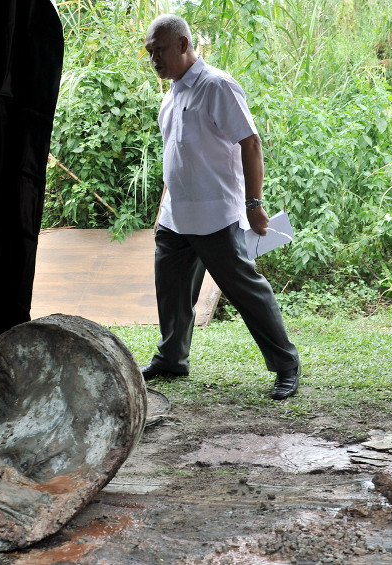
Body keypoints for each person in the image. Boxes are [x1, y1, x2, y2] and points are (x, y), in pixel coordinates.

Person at [140, 14, 301, 400]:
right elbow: (177, 155)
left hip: (215, 216)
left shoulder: (217, 86)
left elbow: (251, 143)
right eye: (149, 53)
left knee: (246, 292)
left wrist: (254, 204)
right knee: (172, 291)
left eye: (159, 50)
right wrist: (165, 206)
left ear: (183, 45)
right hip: (176, 217)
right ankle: (172, 358)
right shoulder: (172, 93)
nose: (154, 60)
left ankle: (286, 364)